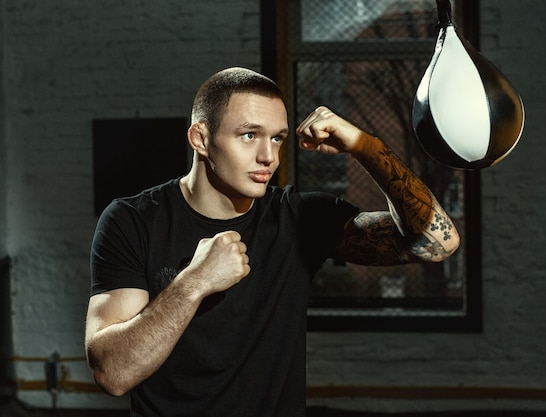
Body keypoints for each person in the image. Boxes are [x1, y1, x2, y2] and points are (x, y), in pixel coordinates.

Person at [84, 67, 459, 416]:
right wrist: (193, 283)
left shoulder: (298, 219)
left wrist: (365, 146)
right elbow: (114, 374)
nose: (268, 157)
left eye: (277, 138)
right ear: (201, 138)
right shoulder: (133, 220)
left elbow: (437, 242)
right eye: (249, 135)